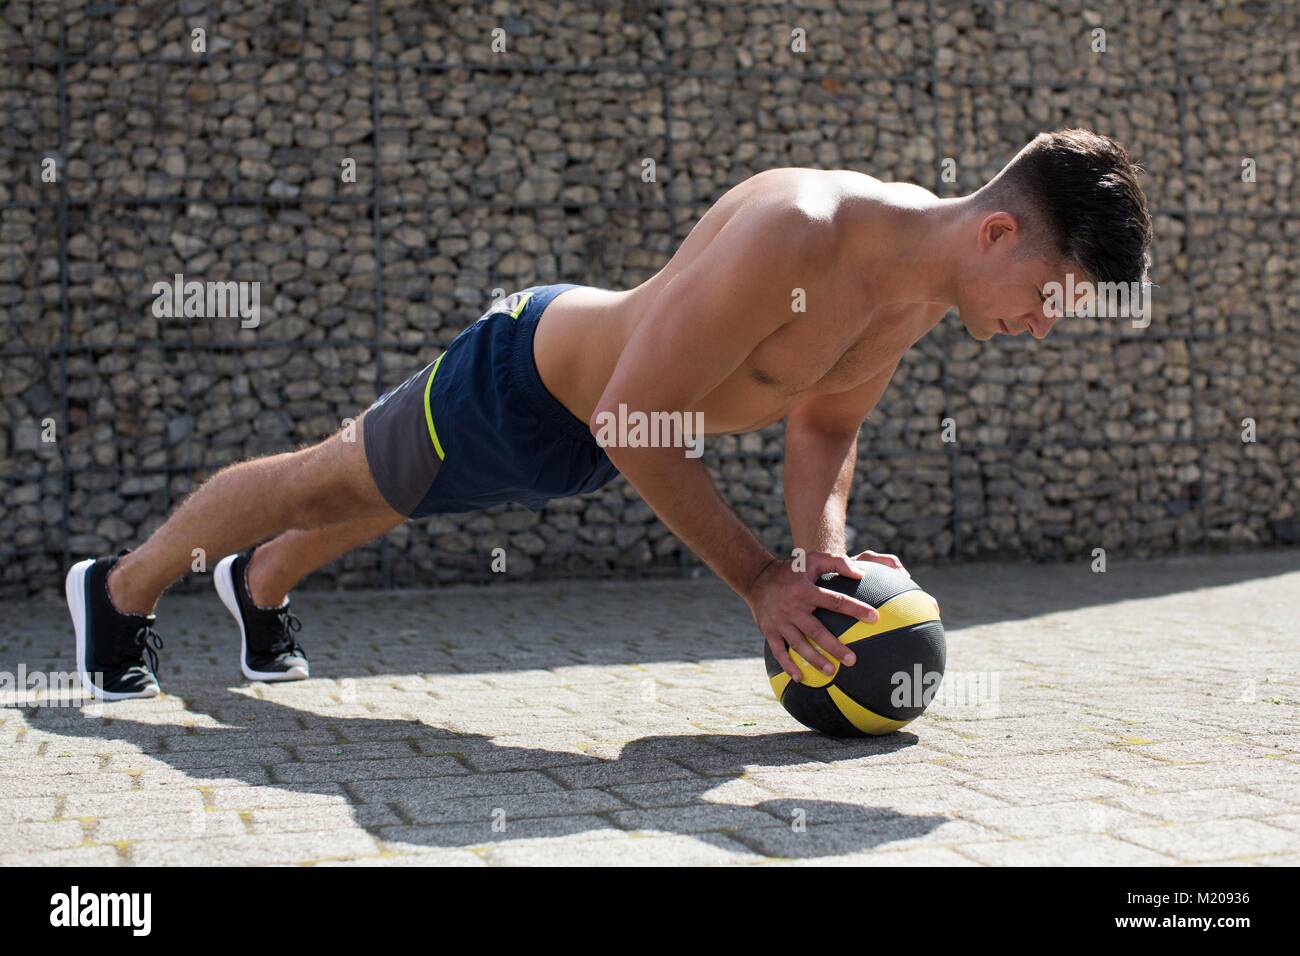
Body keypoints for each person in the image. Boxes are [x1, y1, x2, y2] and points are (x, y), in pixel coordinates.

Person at [66, 128, 1152, 700]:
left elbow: (821, 424)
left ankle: (255, 585)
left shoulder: (916, 292)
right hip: (523, 385)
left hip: (610, 441)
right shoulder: (806, 232)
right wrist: (757, 580)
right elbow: (637, 416)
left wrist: (819, 569)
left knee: (399, 495)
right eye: (1050, 298)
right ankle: (118, 591)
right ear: (1000, 237)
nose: (1041, 325)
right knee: (331, 478)